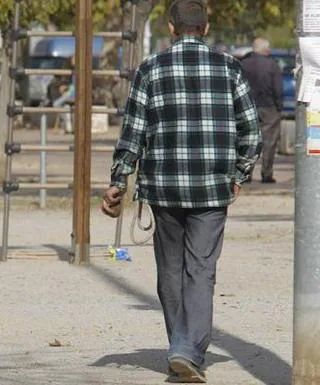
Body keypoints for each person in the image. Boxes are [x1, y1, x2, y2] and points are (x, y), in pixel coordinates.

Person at [101, 0, 261, 382]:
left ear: (171, 28)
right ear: (205, 28)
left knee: (170, 269)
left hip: (164, 189)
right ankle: (188, 350)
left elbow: (133, 133)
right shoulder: (230, 68)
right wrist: (239, 173)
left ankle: (181, 346)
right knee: (201, 270)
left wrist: (117, 181)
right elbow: (251, 132)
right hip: (212, 188)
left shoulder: (150, 71)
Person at [241, 37, 283, 183]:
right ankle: (266, 174)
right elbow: (278, 89)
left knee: (248, 141)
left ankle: (246, 174)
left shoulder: (243, 64)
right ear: (266, 50)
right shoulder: (272, 65)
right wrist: (279, 106)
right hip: (269, 107)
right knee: (269, 142)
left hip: (247, 107)